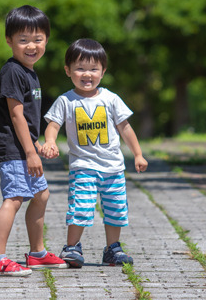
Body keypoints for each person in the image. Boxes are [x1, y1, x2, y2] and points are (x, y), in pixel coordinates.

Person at [42, 38, 148, 268]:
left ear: (103, 71)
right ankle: (71, 247)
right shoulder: (66, 100)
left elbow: (125, 128)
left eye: (93, 69)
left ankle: (112, 249)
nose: (86, 74)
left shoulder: (110, 99)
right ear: (68, 70)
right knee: (80, 207)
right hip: (83, 166)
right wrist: (50, 141)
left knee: (116, 210)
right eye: (80, 68)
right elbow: (52, 124)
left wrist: (138, 154)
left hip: (113, 168)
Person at [0, 5, 68, 276]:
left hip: (24, 147)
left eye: (38, 39)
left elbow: (29, 121)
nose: (31, 46)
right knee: (14, 198)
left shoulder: (29, 72)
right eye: (23, 40)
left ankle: (37, 253)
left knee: (41, 194)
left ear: (47, 39)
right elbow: (16, 115)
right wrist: (31, 153)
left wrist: (38, 145)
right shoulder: (12, 71)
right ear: (9, 40)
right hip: (11, 148)